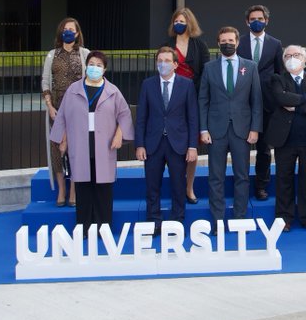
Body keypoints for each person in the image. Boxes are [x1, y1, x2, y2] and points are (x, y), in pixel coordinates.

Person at [49, 51, 134, 234]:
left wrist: (120, 133)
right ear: (86, 66)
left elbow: (125, 114)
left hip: (104, 144)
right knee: (83, 187)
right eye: (92, 64)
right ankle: (84, 228)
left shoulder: (112, 91)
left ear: (104, 69)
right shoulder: (73, 90)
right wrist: (62, 139)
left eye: (99, 65)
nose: (94, 68)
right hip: (80, 143)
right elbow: (63, 115)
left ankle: (104, 228)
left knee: (103, 188)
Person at [199, 27, 264, 220]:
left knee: (242, 176)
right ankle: (217, 220)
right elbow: (203, 99)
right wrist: (203, 129)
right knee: (215, 177)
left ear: (237, 42)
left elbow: (257, 101)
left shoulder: (250, 67)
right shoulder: (209, 67)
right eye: (223, 41)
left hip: (242, 130)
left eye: (231, 40)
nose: (227, 44)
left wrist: (255, 128)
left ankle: (239, 219)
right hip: (215, 130)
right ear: (218, 44)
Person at [135, 46, 199, 234]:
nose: (163, 64)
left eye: (167, 61)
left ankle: (177, 221)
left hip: (178, 143)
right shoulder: (147, 84)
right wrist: (140, 144)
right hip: (153, 144)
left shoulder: (187, 84)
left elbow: (192, 118)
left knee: (179, 185)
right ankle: (154, 221)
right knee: (152, 185)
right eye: (160, 60)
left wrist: (192, 146)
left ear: (175, 64)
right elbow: (141, 118)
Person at [268, 44, 306, 232]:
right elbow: (281, 98)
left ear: (304, 59)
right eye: (287, 55)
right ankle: (284, 219)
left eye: (296, 55)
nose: (291, 58)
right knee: (283, 179)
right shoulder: (278, 78)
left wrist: (295, 105)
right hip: (285, 140)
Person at [40, 18, 89, 207]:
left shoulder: (84, 54)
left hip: (78, 109)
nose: (68, 32)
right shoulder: (52, 55)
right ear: (61, 32)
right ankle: (61, 189)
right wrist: (49, 106)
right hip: (57, 108)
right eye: (65, 29)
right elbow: (45, 81)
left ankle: (74, 191)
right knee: (56, 149)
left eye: (72, 29)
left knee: (77, 149)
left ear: (77, 34)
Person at [163, 7, 210, 205]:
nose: (178, 24)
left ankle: (189, 188)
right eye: (176, 21)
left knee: (192, 146)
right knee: (174, 145)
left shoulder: (200, 46)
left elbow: (206, 73)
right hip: (171, 101)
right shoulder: (167, 45)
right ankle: (176, 187)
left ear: (190, 23)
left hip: (193, 99)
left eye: (182, 21)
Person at [237, 4, 283, 201]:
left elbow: (280, 74)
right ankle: (242, 186)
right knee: (242, 148)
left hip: (267, 104)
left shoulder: (275, 44)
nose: (257, 22)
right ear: (247, 21)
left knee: (264, 149)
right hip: (242, 103)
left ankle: (261, 186)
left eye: (260, 18)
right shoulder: (240, 42)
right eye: (253, 19)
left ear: (267, 21)